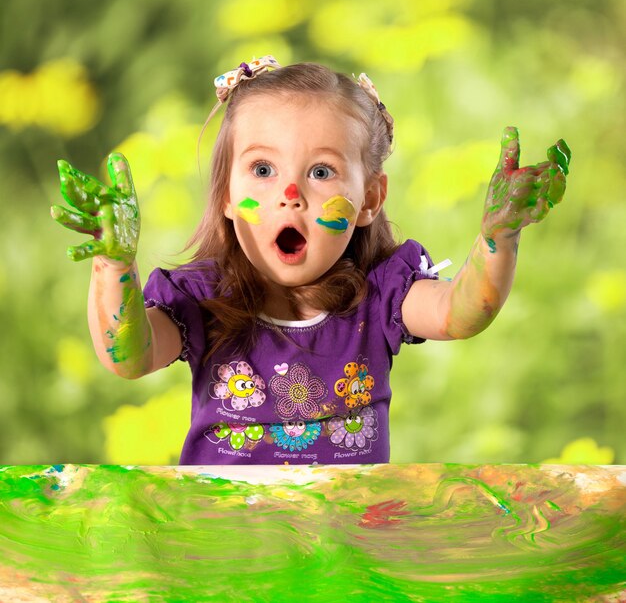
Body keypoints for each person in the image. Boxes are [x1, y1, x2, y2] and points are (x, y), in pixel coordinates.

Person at [50, 56, 571, 465]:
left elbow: (462, 313)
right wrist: (113, 264)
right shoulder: (202, 297)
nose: (291, 193)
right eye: (262, 169)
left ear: (369, 199)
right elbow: (129, 358)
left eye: (321, 172)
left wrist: (498, 237)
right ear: (226, 195)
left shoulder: (383, 292)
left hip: (343, 550)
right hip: (226, 547)